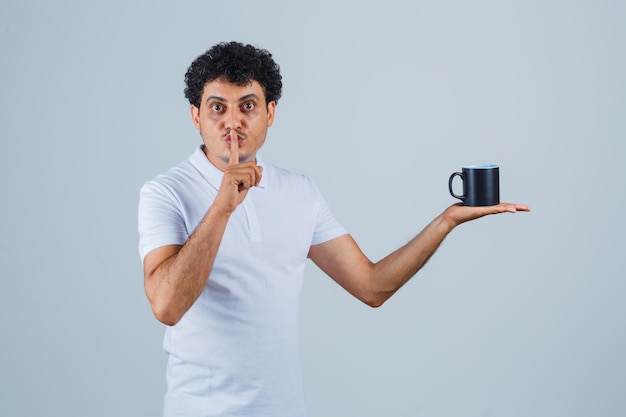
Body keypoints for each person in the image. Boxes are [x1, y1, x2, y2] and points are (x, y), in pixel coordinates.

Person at [138, 41, 530, 417]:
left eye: (248, 106)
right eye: (217, 107)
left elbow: (371, 286)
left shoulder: (299, 192)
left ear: (270, 114)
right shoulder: (165, 192)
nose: (233, 121)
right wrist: (223, 206)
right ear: (196, 117)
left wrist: (446, 221)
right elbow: (167, 306)